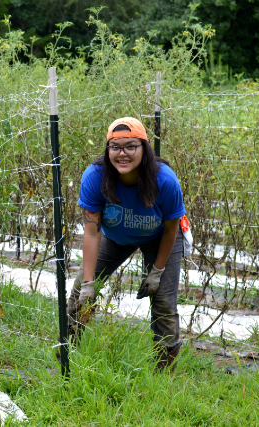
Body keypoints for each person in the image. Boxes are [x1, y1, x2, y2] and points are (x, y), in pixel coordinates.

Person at [67, 117, 186, 371]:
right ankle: (68, 355)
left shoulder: (164, 180)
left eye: (131, 146)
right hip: (116, 236)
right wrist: (89, 283)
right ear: (107, 149)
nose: (123, 154)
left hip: (160, 236)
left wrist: (158, 271)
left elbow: (171, 227)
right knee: (80, 293)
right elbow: (91, 231)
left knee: (163, 300)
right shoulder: (95, 176)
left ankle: (163, 372)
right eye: (115, 147)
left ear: (144, 149)